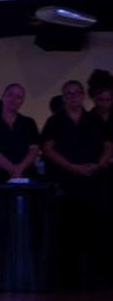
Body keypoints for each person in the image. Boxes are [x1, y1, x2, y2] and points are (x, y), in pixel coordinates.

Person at [41, 80, 112, 288]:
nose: (73, 97)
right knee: (66, 229)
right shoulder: (55, 121)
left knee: (94, 228)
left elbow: (108, 145)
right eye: (68, 94)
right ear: (63, 98)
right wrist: (71, 167)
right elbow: (47, 148)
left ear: (83, 96)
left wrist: (98, 165)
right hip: (66, 182)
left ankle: (94, 277)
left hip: (92, 181)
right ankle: (67, 278)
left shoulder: (94, 119)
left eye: (76, 93)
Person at [0, 84, 41, 184]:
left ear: (22, 101)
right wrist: (13, 169)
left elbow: (34, 150)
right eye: (10, 95)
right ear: (3, 97)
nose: (14, 99)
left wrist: (19, 169)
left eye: (18, 97)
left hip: (26, 177)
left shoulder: (29, 123)